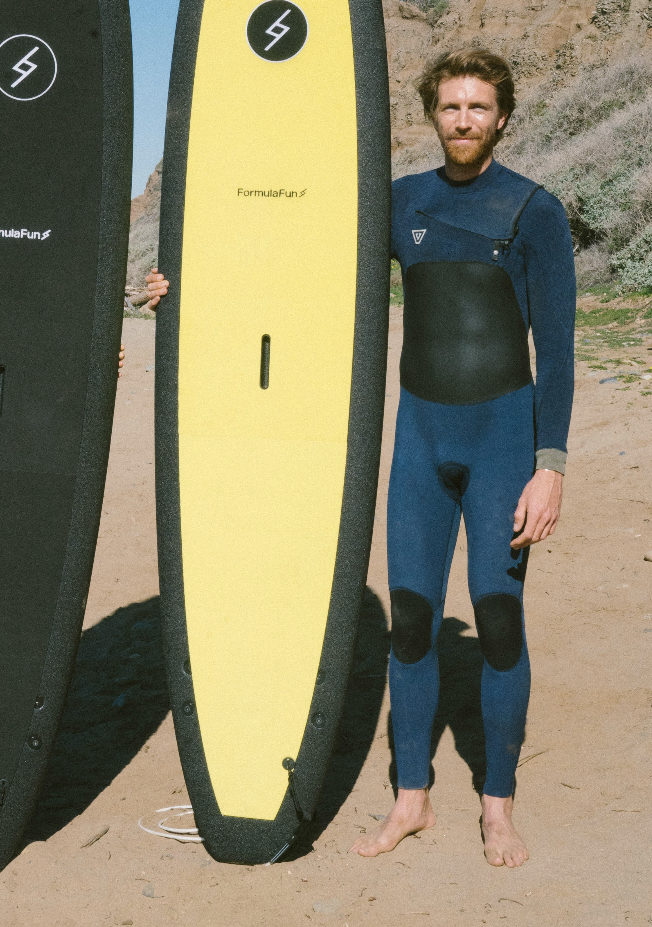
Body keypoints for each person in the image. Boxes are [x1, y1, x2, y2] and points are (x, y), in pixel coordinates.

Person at [145, 47, 575, 869]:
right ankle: (410, 800)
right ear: (431, 115)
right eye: (450, 107)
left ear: (503, 118)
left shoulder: (533, 210)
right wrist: (189, 284)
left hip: (502, 443)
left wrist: (548, 465)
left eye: (478, 108)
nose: (463, 121)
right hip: (421, 437)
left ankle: (497, 805)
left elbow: (556, 349)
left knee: (498, 618)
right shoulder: (400, 202)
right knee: (410, 622)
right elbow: (304, 267)